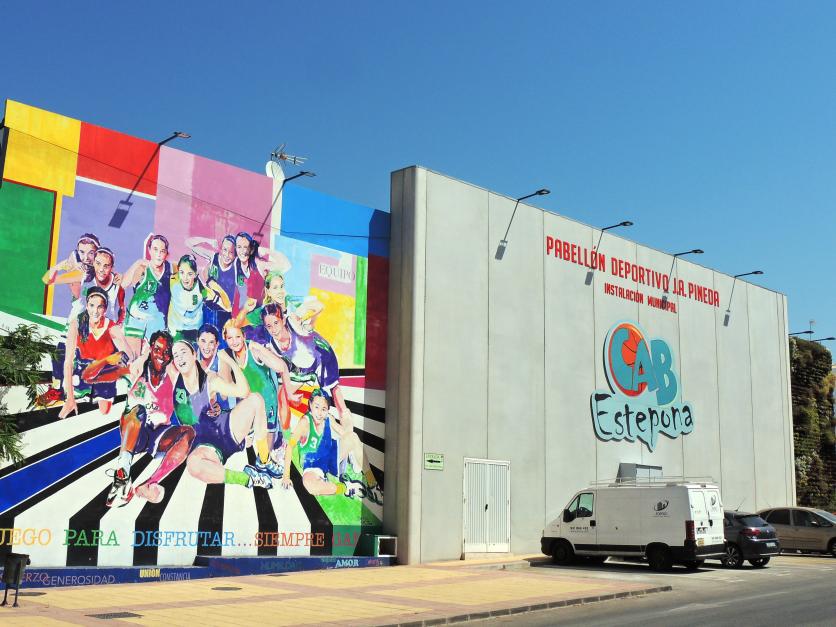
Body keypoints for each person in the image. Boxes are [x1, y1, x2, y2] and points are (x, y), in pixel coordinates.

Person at [168, 339, 274, 490]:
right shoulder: (174, 377)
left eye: (183, 353)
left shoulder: (210, 379)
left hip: (226, 430)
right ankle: (247, 478)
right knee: (193, 465)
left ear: (194, 354)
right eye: (176, 355)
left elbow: (244, 392)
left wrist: (231, 362)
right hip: (203, 445)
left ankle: (264, 460)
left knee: (256, 399)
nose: (179, 358)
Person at [105, 331, 196, 507]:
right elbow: (115, 333)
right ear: (151, 349)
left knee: (188, 432)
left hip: (159, 434)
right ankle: (122, 477)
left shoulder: (172, 371)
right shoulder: (137, 369)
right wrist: (144, 354)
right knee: (137, 411)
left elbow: (189, 359)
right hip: (136, 433)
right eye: (157, 349)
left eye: (166, 352)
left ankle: (150, 483)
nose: (161, 355)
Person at [221, 322, 297, 476]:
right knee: (250, 441)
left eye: (237, 337)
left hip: (267, 400)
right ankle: (261, 454)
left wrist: (262, 349)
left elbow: (281, 367)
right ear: (225, 339)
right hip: (249, 402)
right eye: (230, 338)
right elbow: (225, 391)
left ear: (244, 336)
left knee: (266, 446)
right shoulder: (227, 355)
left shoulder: (254, 349)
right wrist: (226, 363)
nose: (234, 341)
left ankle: (266, 460)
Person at [281, 390, 382, 504]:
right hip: (312, 464)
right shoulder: (305, 423)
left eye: (324, 409)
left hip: (331, 454)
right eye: (317, 407)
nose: (320, 413)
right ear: (310, 405)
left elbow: (345, 433)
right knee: (310, 486)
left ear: (328, 410)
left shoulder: (328, 418)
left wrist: (351, 443)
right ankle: (347, 488)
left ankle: (372, 484)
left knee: (353, 437)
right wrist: (286, 476)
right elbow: (290, 446)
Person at [258, 302, 349, 423]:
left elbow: (318, 306)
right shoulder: (273, 345)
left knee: (334, 391)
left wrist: (308, 320)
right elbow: (283, 370)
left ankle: (347, 424)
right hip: (303, 367)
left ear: (283, 320)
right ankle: (285, 432)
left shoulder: (292, 321)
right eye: (269, 326)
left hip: (322, 356)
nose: (273, 330)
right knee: (281, 394)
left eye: (276, 323)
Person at [58, 287, 130, 418]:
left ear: (105, 309)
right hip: (84, 368)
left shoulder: (112, 327)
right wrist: (70, 398)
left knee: (104, 411)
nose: (95, 311)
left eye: (99, 307)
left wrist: (122, 357)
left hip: (105, 369)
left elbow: (128, 355)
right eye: (91, 305)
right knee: (71, 404)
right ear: (87, 305)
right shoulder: (76, 324)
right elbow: (68, 362)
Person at [123, 234, 172, 355]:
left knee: (152, 358)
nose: (158, 254)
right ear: (149, 250)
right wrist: (137, 263)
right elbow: (124, 284)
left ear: (166, 253)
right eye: (155, 249)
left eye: (162, 251)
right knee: (133, 357)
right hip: (137, 318)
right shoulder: (142, 267)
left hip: (158, 321)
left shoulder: (171, 269)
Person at [168, 254, 231, 342]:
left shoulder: (202, 290)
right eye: (182, 272)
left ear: (195, 274)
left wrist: (215, 286)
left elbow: (228, 307)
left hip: (194, 331)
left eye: (190, 274)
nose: (185, 278)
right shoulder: (173, 279)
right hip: (175, 330)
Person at [186, 235, 238, 330]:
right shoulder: (214, 257)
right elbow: (189, 243)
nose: (226, 255)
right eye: (225, 249)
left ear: (235, 255)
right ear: (221, 249)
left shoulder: (237, 266)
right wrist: (208, 240)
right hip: (208, 309)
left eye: (231, 252)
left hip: (225, 313)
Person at [232, 232, 291, 315]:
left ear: (251, 249)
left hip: (262, 314)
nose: (242, 251)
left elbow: (286, 265)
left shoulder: (259, 264)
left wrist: (266, 251)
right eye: (239, 247)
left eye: (245, 247)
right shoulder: (236, 262)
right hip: (246, 313)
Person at [66, 248, 126, 325]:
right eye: (98, 263)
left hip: (107, 328)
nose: (101, 269)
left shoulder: (117, 284)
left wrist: (118, 326)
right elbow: (72, 256)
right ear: (93, 263)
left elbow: (122, 311)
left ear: (112, 268)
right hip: (81, 325)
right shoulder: (85, 276)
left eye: (106, 266)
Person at [42, 233, 100, 300]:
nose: (86, 257)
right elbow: (46, 279)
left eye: (91, 253)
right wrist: (56, 268)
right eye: (82, 252)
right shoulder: (74, 264)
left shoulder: (100, 265)